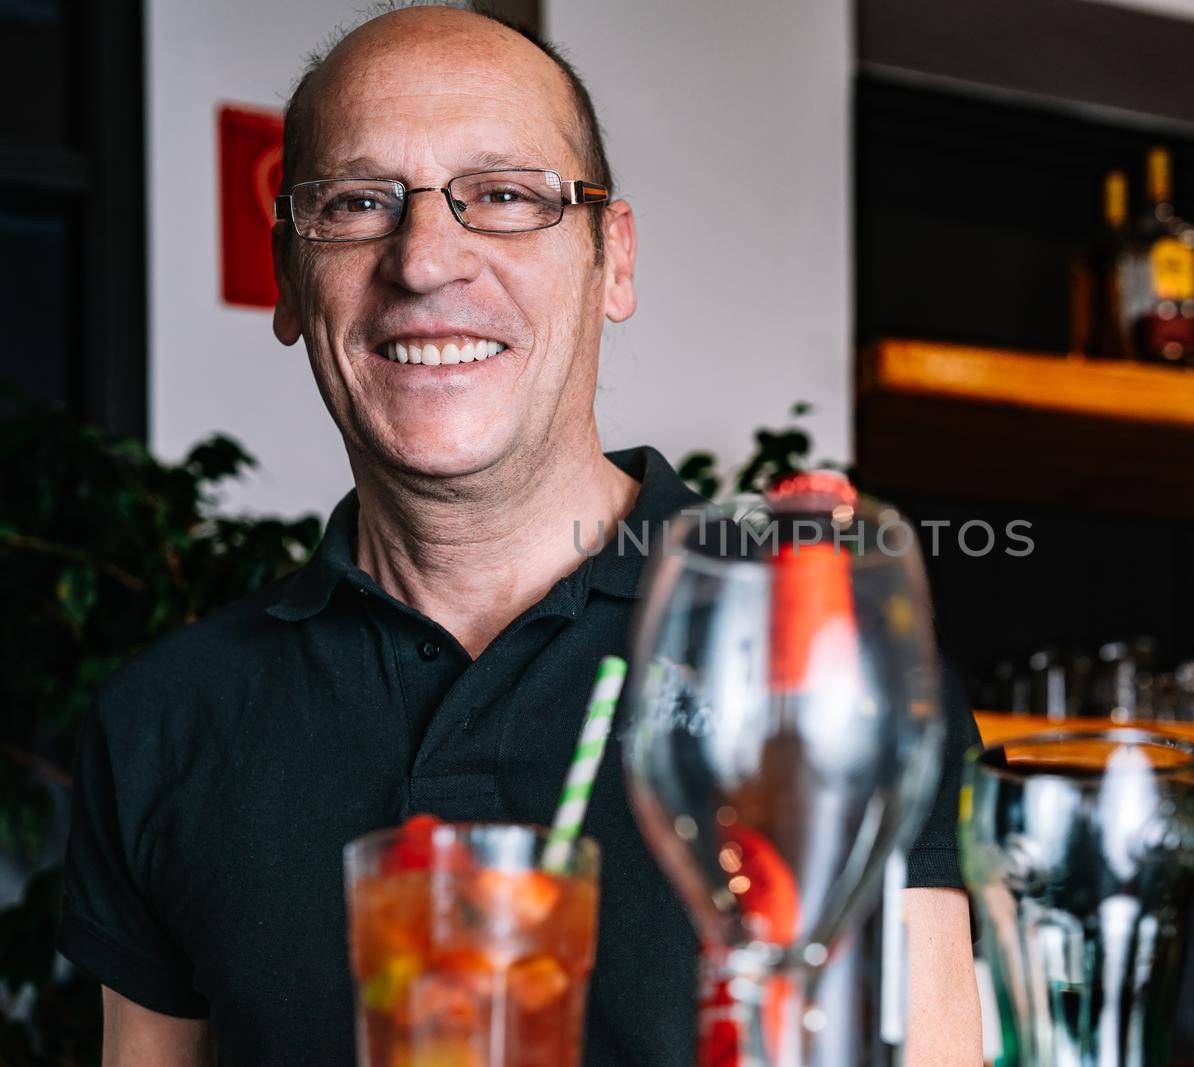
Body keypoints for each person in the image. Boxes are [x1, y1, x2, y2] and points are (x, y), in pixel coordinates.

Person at [59, 4, 983, 1064]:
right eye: (358, 202)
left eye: (501, 195)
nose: (424, 259)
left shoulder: (814, 664)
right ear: (286, 276)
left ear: (613, 259)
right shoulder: (163, 718)